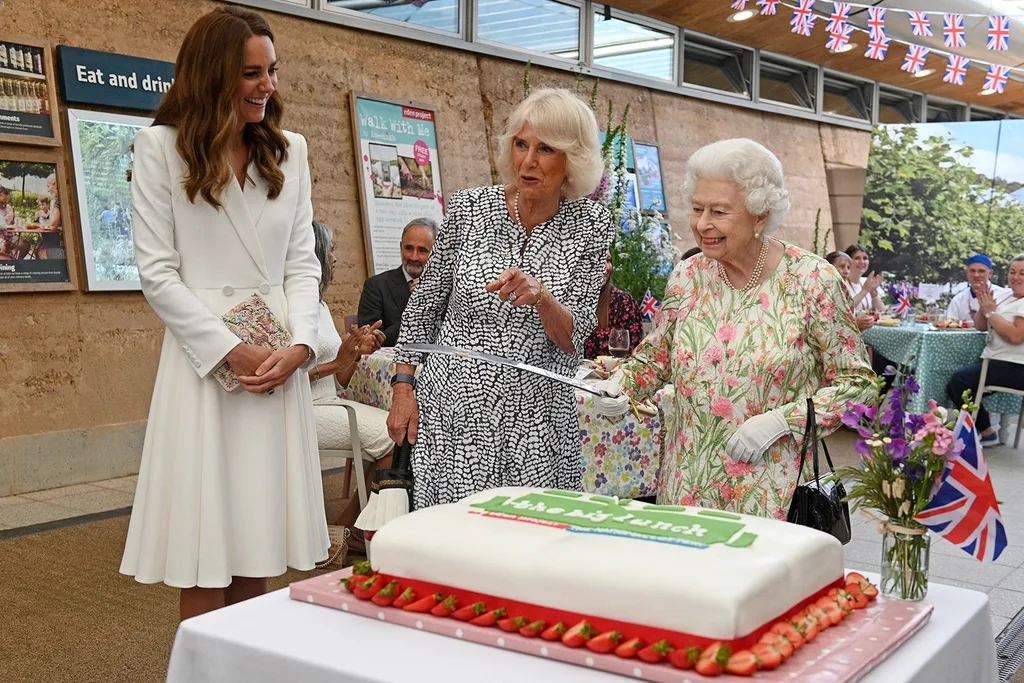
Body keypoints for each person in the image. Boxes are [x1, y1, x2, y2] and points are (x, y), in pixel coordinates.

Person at [120, 6, 329, 621]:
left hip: (277, 363)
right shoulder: (160, 148)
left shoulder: (290, 151)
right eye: (251, 72)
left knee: (259, 541)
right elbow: (158, 274)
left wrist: (301, 347)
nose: (268, 85)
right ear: (212, 75)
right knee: (206, 549)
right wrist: (230, 350)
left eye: (272, 70)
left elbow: (303, 264)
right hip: (207, 368)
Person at [602, 138, 876, 519]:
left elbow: (858, 385)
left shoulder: (812, 280)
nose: (702, 224)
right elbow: (656, 356)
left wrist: (783, 421)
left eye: (719, 211)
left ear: (760, 214)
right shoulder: (688, 274)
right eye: (697, 208)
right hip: (685, 490)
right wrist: (622, 385)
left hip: (771, 498)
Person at [387, 87, 613, 509]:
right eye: (521, 144)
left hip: (537, 416)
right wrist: (403, 388)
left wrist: (543, 298)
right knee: (454, 540)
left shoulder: (592, 224)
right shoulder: (470, 208)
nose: (527, 161)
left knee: (528, 543)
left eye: (546, 149)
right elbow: (423, 308)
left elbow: (575, 338)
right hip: (454, 410)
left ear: (573, 160)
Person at [309, 220, 390, 554]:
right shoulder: (291, 306)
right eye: (331, 250)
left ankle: (351, 521)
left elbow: (337, 379)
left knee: (395, 426)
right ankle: (359, 530)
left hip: (329, 401)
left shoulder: (320, 304)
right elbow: (287, 373)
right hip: (304, 411)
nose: (335, 259)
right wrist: (339, 360)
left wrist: (356, 353)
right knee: (393, 435)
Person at [947, 255, 1024, 448]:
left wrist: (991, 313)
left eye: (1022, 273)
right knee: (958, 382)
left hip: (1015, 365)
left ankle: (984, 431)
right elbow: (982, 326)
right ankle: (983, 430)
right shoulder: (1005, 295)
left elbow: (1015, 336)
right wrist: (983, 306)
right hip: (995, 360)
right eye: (1012, 272)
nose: (1015, 277)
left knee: (960, 381)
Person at [357, 217, 437, 346]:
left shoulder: (446, 289)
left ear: (436, 252)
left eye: (422, 251)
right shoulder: (376, 286)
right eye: (409, 248)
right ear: (400, 247)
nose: (414, 257)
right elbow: (371, 341)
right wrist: (418, 307)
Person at [583, 251, 643, 360]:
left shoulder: (622, 301)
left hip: (611, 375)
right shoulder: (569, 301)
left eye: (608, 260)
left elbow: (632, 349)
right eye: (599, 260)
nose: (605, 267)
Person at [947, 254, 1010, 321]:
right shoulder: (958, 300)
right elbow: (949, 323)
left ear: (990, 274)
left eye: (981, 271)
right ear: (967, 272)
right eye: (972, 271)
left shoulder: (1003, 295)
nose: (976, 275)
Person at [825, 250, 874, 332]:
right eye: (842, 266)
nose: (847, 271)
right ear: (829, 267)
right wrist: (853, 323)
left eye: (848, 267)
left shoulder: (842, 290)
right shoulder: (823, 291)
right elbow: (827, 324)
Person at [845, 244, 884, 315]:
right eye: (857, 258)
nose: (862, 262)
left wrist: (873, 293)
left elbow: (882, 311)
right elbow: (845, 310)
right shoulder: (842, 283)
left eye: (865, 258)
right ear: (848, 261)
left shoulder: (866, 282)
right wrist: (864, 291)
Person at [38, 174, 64, 260]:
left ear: (56, 184)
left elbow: (52, 225)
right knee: (40, 250)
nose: (48, 190)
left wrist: (53, 201)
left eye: (48, 186)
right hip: (63, 240)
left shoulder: (59, 200)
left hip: (63, 244)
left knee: (42, 253)